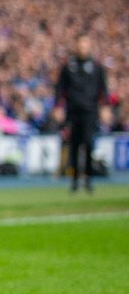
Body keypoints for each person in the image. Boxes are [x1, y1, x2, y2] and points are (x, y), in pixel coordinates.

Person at [55, 35, 107, 193]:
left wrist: (105, 107)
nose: (82, 48)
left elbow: (102, 89)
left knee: (89, 144)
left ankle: (88, 179)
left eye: (85, 45)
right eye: (80, 45)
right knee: (74, 146)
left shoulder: (96, 66)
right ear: (76, 46)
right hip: (73, 111)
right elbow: (60, 88)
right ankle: (75, 180)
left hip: (90, 111)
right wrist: (58, 106)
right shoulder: (68, 66)